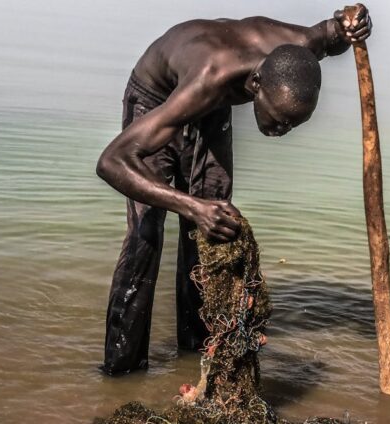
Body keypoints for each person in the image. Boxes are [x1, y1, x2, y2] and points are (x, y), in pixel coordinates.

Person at [95, 4, 373, 376]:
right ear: (257, 84)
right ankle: (122, 369)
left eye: (293, 124)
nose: (281, 131)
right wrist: (191, 206)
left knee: (215, 227)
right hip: (158, 100)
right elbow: (111, 162)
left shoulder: (302, 45)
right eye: (277, 119)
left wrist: (354, 23)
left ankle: (196, 350)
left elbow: (336, 31)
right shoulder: (210, 78)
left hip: (212, 107)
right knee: (147, 234)